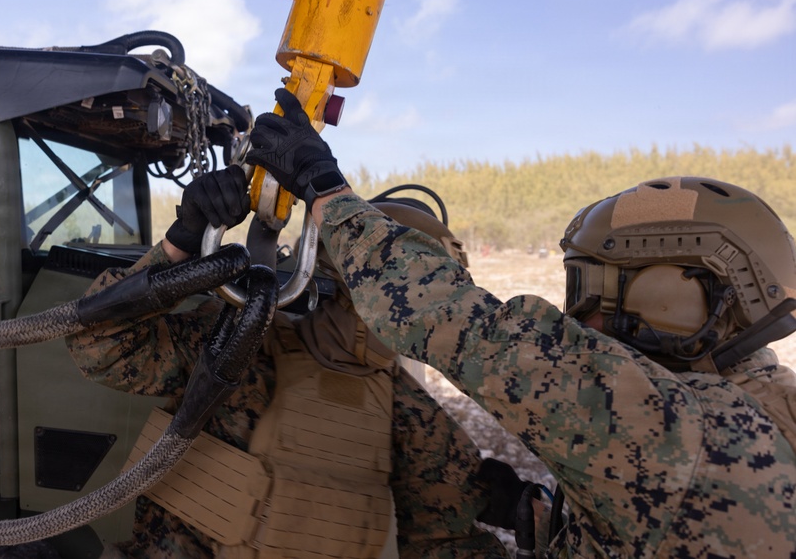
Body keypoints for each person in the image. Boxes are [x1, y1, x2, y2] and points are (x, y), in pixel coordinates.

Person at [243, 88, 796, 558]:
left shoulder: (687, 431)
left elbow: (460, 322)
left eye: (590, 287)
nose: (577, 313)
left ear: (673, 295)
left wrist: (327, 193)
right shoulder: (764, 410)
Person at [66, 165, 511, 558]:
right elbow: (100, 346)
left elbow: (447, 544)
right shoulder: (241, 344)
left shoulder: (413, 416)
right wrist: (179, 244)